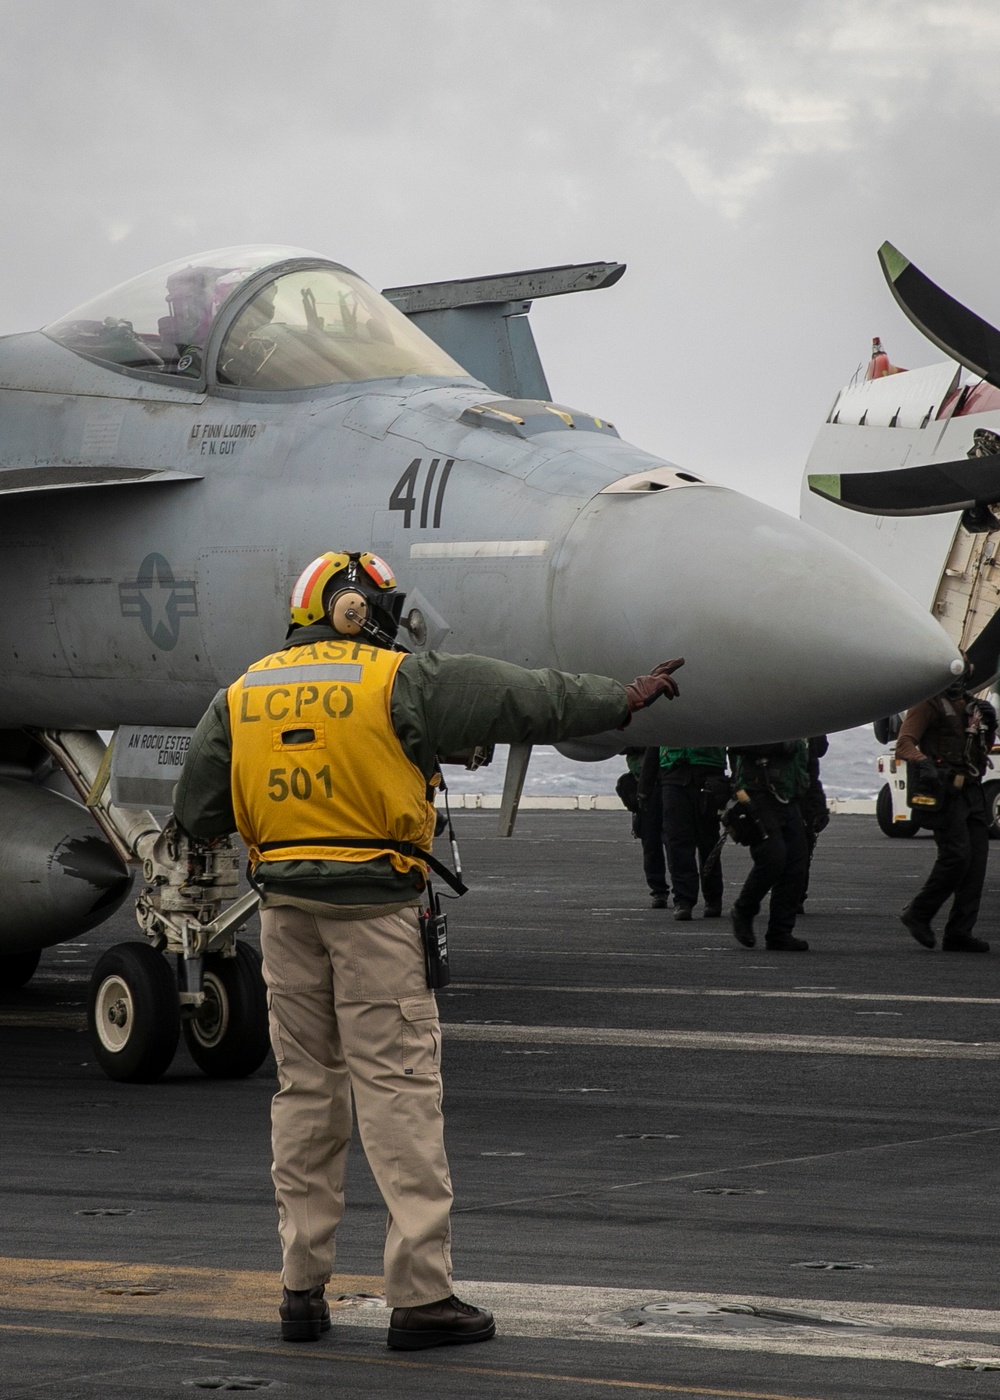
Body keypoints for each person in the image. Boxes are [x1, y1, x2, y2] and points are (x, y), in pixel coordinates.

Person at [173, 549, 683, 1350]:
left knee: (305, 1095)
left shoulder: (242, 692)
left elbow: (197, 811)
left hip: (284, 914)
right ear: (353, 608)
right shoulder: (392, 679)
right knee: (398, 1093)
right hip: (374, 911)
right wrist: (618, 700)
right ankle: (419, 1296)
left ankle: (301, 1292)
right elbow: (520, 696)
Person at [894, 673, 996, 952]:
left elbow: (981, 747)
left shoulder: (971, 706)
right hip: (946, 792)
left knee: (976, 864)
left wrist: (992, 724)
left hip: (972, 790)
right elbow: (904, 743)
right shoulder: (927, 704)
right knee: (957, 857)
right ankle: (919, 913)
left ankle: (960, 932)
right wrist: (923, 762)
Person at [727, 739, 810, 951]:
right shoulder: (763, 716)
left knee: (796, 865)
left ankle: (780, 933)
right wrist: (777, 746)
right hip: (758, 793)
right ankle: (744, 910)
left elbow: (808, 762)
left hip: (790, 796)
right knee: (772, 857)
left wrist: (816, 804)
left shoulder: (804, 721)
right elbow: (736, 743)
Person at [658, 746, 728, 920]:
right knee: (677, 840)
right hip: (673, 772)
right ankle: (683, 900)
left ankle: (712, 897)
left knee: (708, 839)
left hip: (707, 770)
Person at [619, 747, 671, 908]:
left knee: (673, 842)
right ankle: (659, 890)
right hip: (644, 781)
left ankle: (675, 891)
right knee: (651, 842)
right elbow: (622, 747)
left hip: (669, 780)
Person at [798, 735, 830, 913]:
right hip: (801, 788)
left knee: (803, 848)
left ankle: (796, 896)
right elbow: (821, 749)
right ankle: (795, 896)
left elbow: (820, 748)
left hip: (805, 790)